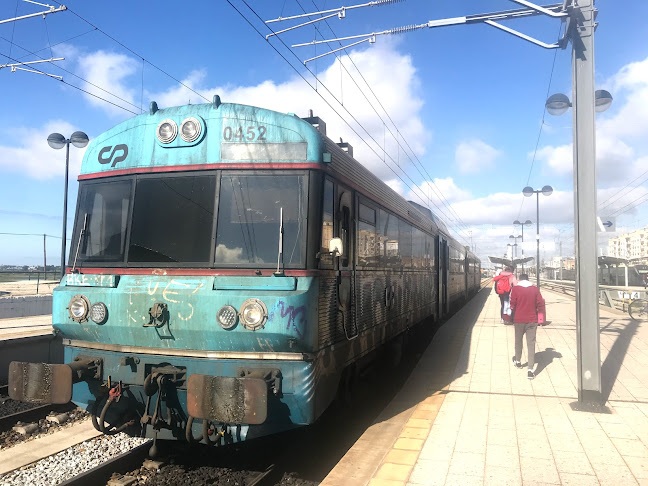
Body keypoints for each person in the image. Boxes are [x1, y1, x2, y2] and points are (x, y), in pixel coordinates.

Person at [510, 273, 545, 380]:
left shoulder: (516, 289)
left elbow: (512, 304)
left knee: (518, 340)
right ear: (528, 279)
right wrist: (541, 319)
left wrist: (511, 313)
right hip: (532, 320)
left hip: (519, 320)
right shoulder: (534, 289)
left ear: (519, 279)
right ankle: (530, 370)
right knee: (531, 344)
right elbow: (541, 303)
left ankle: (518, 361)